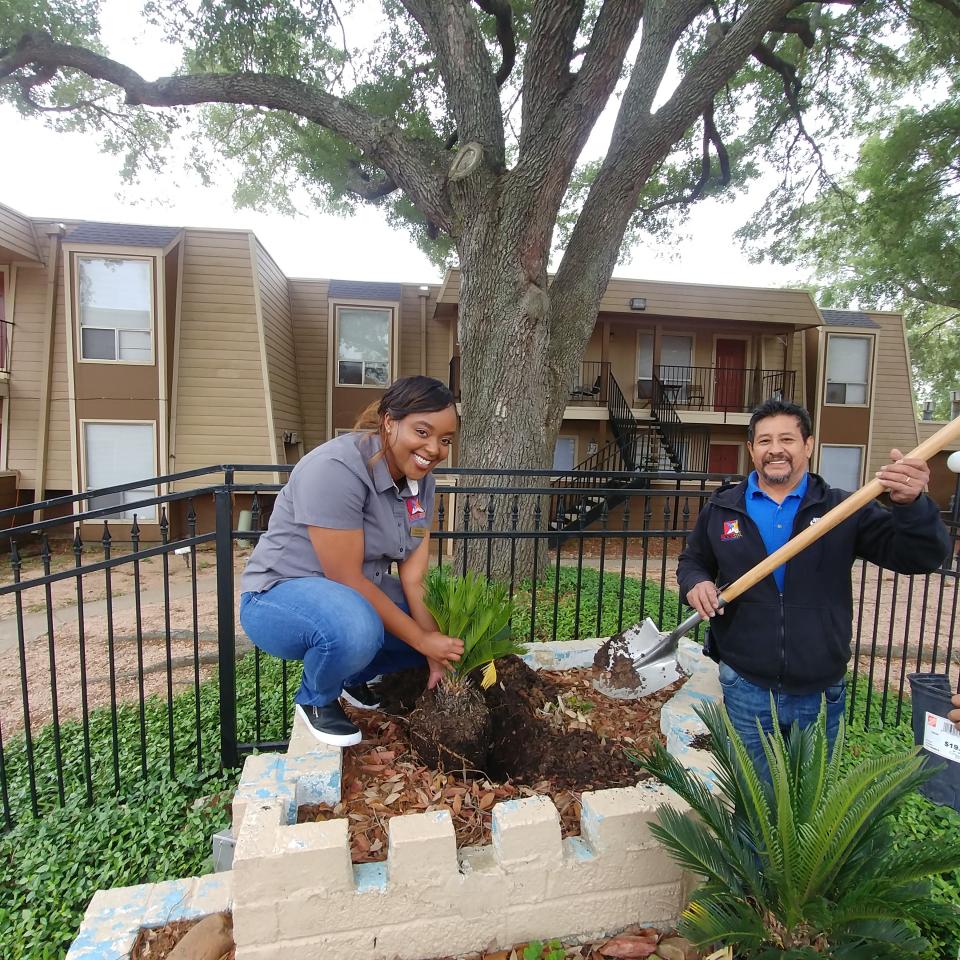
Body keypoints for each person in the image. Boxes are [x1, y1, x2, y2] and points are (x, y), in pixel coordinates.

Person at [678, 398, 950, 768]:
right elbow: (693, 560)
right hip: (745, 683)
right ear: (751, 450)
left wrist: (912, 505)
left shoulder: (843, 509)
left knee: (811, 802)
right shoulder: (724, 508)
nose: (776, 449)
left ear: (807, 445)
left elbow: (919, 557)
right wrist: (696, 583)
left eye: (787, 439)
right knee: (751, 793)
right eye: (765, 441)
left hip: (819, 690)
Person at [239, 376, 463, 748]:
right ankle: (316, 698)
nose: (434, 448)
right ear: (390, 421)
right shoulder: (336, 468)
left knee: (446, 626)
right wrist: (422, 641)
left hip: (353, 594)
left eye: (445, 440)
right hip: (277, 595)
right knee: (356, 627)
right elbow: (345, 578)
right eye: (422, 431)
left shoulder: (420, 483)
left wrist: (434, 648)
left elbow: (415, 580)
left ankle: (354, 675)